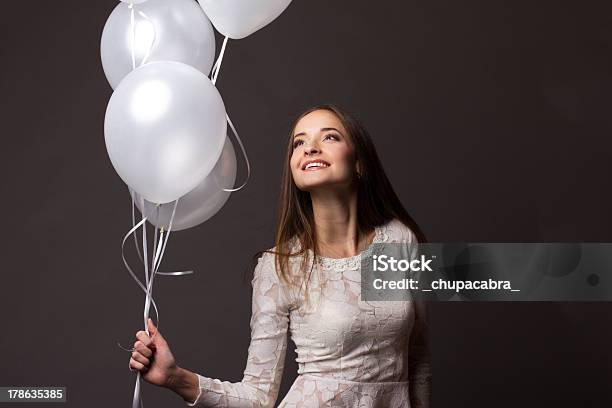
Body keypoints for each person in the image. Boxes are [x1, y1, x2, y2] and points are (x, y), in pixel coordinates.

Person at [128, 104, 432, 407]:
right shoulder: (279, 266)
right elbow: (258, 396)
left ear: (359, 163)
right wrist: (175, 377)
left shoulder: (400, 239)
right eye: (299, 142)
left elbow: (417, 357)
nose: (310, 148)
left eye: (329, 137)